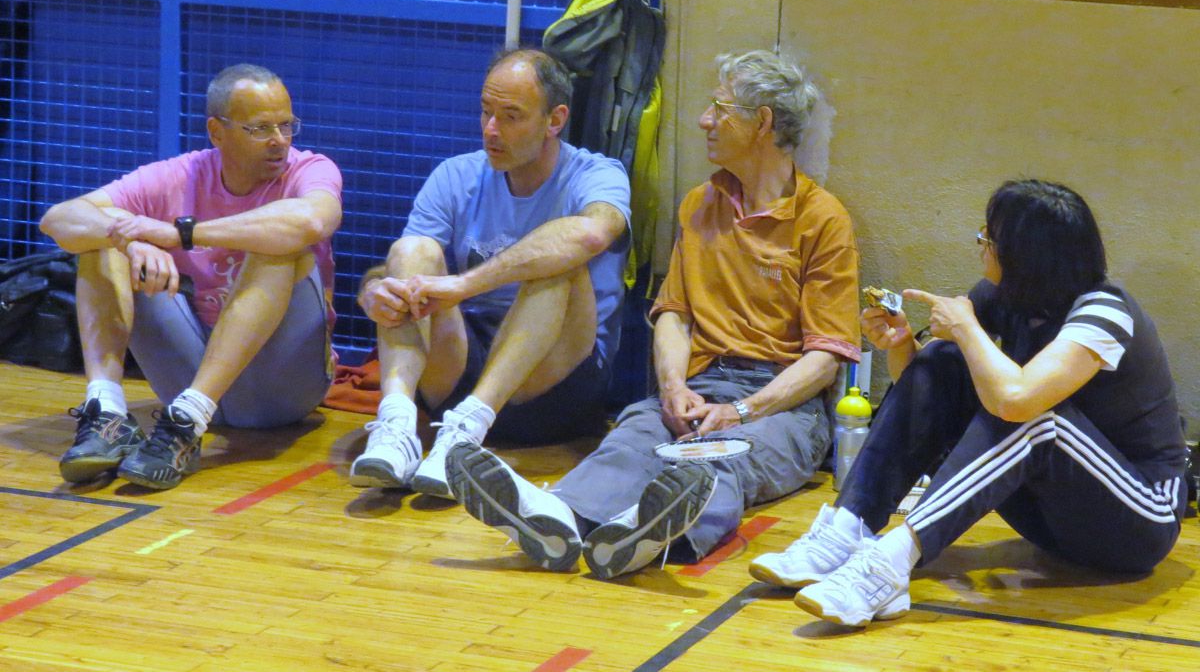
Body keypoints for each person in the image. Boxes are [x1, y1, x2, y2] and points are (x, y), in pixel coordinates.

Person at [444, 49, 862, 579]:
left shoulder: (822, 220)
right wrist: (672, 387)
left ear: (762, 123)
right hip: (697, 384)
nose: (705, 120)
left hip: (782, 407)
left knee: (717, 459)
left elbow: (825, 360)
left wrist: (742, 411)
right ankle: (556, 518)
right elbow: (674, 315)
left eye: (720, 108)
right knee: (629, 441)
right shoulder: (700, 204)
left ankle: (646, 536)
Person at [752, 179, 1186, 627]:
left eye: (989, 238)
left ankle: (889, 564)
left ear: (1024, 255)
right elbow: (931, 401)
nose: (981, 246)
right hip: (1053, 518)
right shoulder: (1005, 296)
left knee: (1036, 416)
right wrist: (900, 346)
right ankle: (846, 529)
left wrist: (965, 327)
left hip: (1138, 521)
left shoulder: (1105, 311)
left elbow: (1018, 401)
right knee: (942, 359)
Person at [39, 64, 342, 490]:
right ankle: (108, 412)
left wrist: (181, 234)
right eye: (260, 128)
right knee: (102, 240)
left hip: (284, 388)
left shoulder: (310, 169)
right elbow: (58, 219)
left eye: (286, 125)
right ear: (217, 132)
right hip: (191, 376)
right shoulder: (179, 175)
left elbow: (312, 220)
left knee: (278, 243)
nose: (279, 140)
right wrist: (127, 239)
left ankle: (187, 421)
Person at [351, 47, 630, 498]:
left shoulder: (596, 175)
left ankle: (467, 433)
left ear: (555, 120)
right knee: (412, 249)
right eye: (485, 112)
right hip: (460, 370)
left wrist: (465, 284)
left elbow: (592, 234)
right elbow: (404, 268)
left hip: (554, 382)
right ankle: (397, 423)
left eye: (511, 116)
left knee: (559, 260)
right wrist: (373, 290)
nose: (491, 129)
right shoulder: (454, 175)